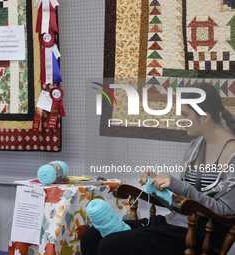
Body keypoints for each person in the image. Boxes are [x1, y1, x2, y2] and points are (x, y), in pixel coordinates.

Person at [81, 82, 235, 255]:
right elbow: (180, 203)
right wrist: (158, 185)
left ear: (205, 117)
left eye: (184, 114)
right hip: (175, 224)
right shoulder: (194, 147)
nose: (179, 120)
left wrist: (178, 186)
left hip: (200, 235)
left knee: (110, 245)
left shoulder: (233, 154)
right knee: (92, 236)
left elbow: (225, 212)